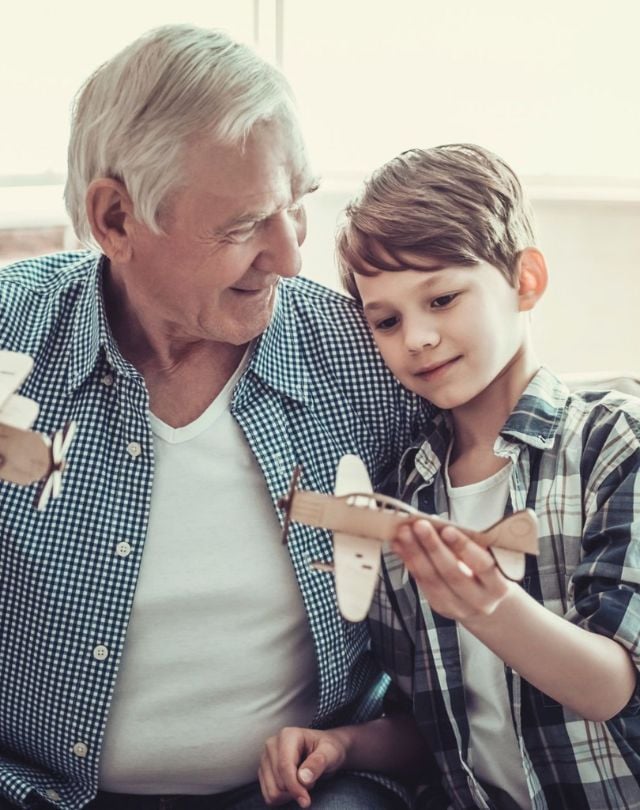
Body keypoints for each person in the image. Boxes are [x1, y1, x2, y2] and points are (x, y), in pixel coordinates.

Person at [0, 25, 431, 810]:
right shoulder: (10, 337)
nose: (291, 257)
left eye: (296, 206)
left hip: (306, 792)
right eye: (243, 227)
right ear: (115, 221)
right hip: (35, 787)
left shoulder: (368, 358)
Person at [258, 144, 640, 809]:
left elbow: (612, 686)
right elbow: (440, 723)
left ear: (525, 281)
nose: (418, 338)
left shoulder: (613, 443)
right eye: (387, 319)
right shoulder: (406, 487)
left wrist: (489, 604)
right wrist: (346, 744)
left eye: (441, 298)